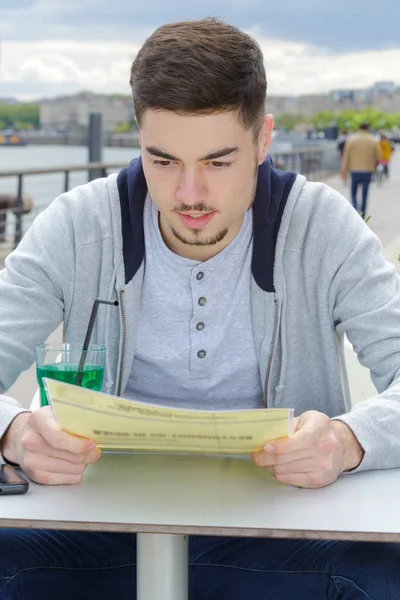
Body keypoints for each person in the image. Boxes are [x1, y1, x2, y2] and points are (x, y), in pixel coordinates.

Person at [1, 18, 400, 600]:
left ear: (263, 141)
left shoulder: (323, 228)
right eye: (162, 161)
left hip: (281, 525)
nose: (189, 195)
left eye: (217, 162)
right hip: (90, 521)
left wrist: (346, 441)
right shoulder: (78, 224)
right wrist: (12, 431)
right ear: (138, 139)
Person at [341, 122, 381, 218]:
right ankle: (362, 215)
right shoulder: (373, 140)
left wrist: (343, 170)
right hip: (367, 170)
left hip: (354, 170)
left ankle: (355, 212)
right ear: (368, 128)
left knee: (353, 193)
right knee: (365, 194)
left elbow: (345, 156)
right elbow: (379, 156)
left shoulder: (351, 140)